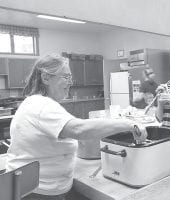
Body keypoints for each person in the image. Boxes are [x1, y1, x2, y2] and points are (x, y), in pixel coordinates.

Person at [5, 54, 147, 200]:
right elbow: (79, 129)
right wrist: (129, 124)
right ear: (46, 78)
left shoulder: (38, 103)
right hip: (37, 194)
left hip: (41, 190)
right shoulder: (40, 105)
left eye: (70, 78)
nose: (70, 83)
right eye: (65, 77)